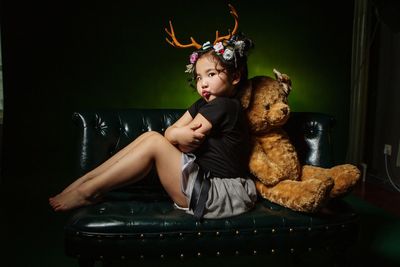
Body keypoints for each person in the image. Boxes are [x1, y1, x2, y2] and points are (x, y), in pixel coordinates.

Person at [49, 8, 257, 219]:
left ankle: (88, 190)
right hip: (202, 183)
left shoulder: (226, 105)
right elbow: (171, 133)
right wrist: (176, 135)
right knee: (150, 137)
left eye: (211, 74)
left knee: (154, 142)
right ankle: (86, 182)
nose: (203, 83)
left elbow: (185, 142)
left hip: (216, 193)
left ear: (236, 76)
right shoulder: (202, 104)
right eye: (198, 77)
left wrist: (176, 135)